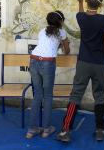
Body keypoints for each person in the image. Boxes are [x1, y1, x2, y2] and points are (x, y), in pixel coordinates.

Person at [57, 0, 104, 143]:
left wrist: (80, 1)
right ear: (101, 5)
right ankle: (100, 130)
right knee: (99, 95)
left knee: (76, 95)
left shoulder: (80, 17)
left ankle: (65, 130)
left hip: (83, 62)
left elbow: (82, 12)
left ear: (87, 1)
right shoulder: (103, 20)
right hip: (99, 63)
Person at [25, 10, 70, 139]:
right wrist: (64, 43)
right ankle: (46, 129)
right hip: (47, 63)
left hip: (34, 60)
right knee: (48, 95)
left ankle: (31, 130)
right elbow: (67, 51)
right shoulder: (62, 33)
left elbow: (47, 45)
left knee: (37, 95)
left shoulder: (42, 31)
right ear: (60, 22)